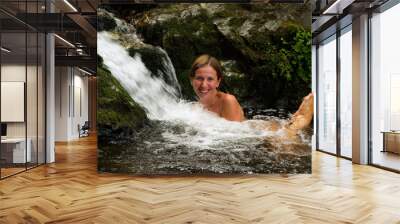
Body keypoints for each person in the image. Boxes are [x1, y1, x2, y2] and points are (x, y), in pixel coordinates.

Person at [190, 54, 245, 122]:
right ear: (191, 80)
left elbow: (237, 132)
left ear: (218, 82)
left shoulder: (228, 101)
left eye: (210, 79)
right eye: (199, 78)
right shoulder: (195, 109)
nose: (204, 85)